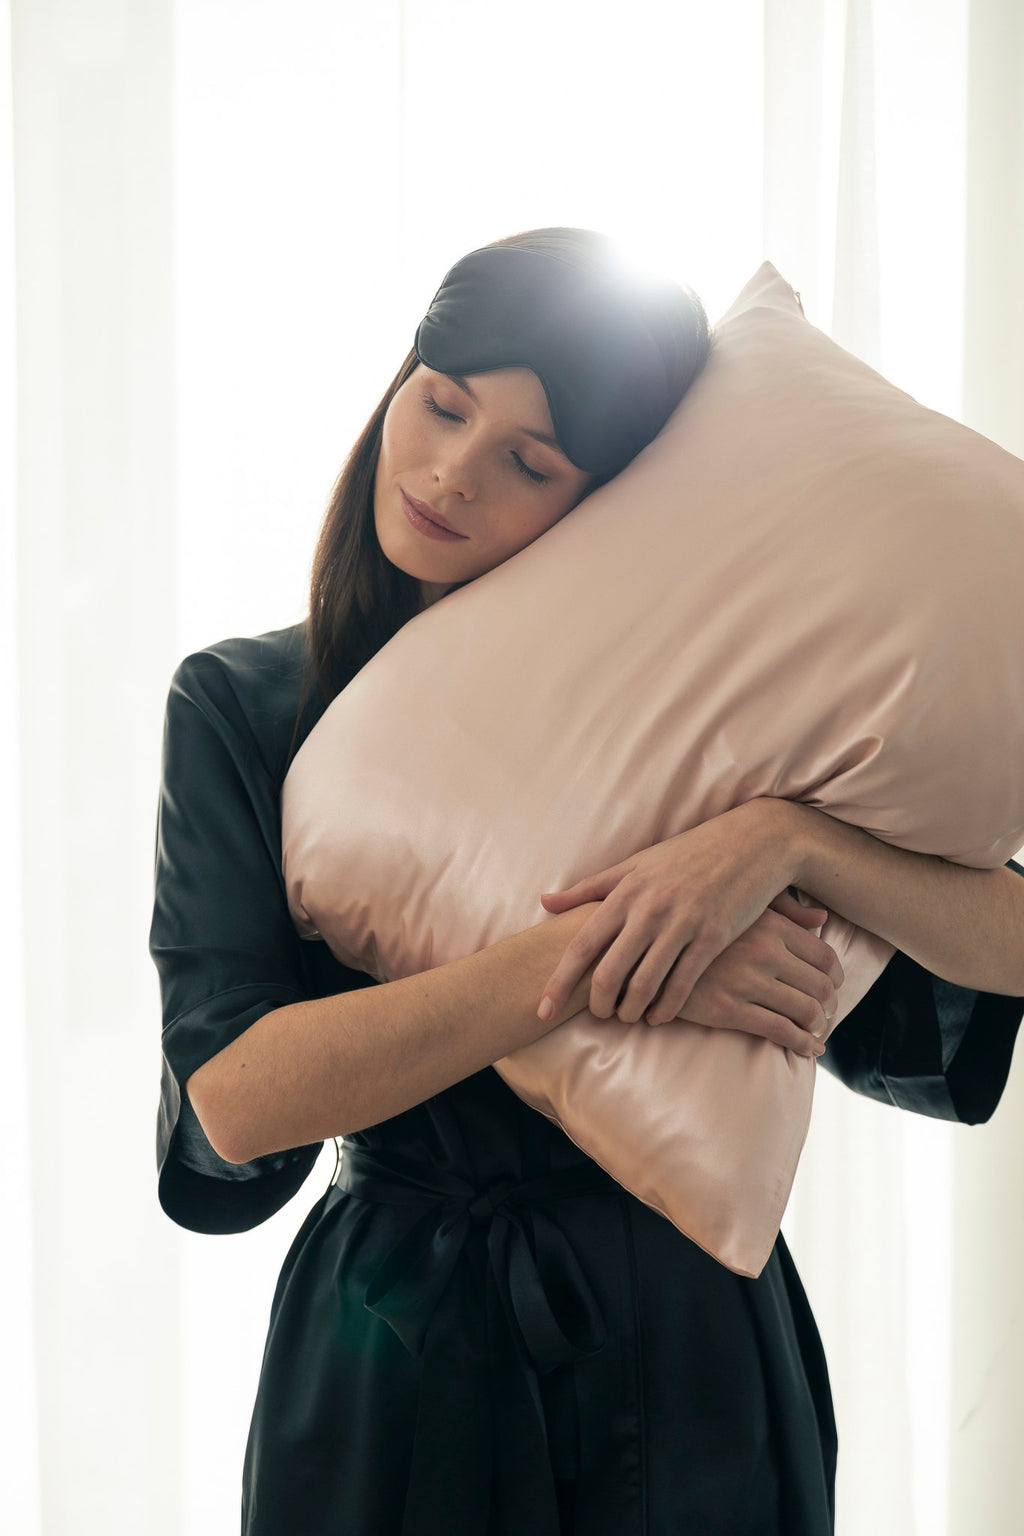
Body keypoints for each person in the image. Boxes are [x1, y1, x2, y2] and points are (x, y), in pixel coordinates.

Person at [151, 226, 1024, 1536]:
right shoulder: (247, 704)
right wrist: (607, 957)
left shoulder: (710, 727)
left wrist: (785, 845)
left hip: (691, 1351)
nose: (452, 472)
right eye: (444, 403)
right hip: (394, 1346)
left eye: (531, 461)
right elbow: (234, 1100)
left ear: (610, 501)